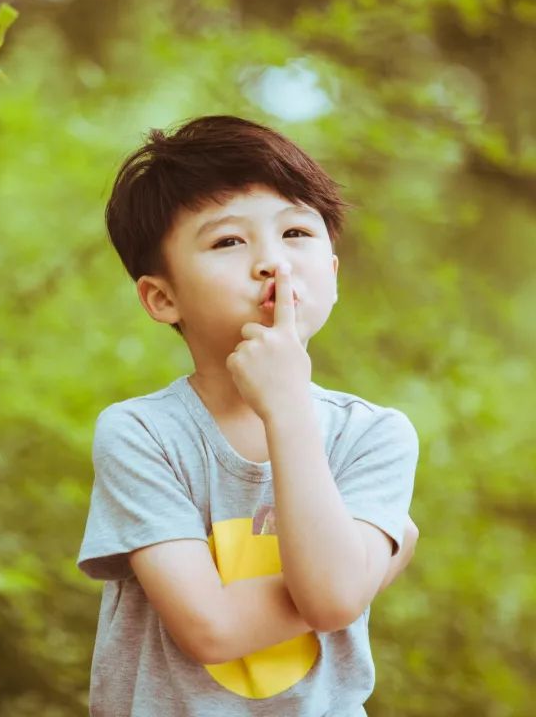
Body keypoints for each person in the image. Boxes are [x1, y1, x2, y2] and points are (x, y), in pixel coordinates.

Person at [76, 115, 421, 716]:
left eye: (296, 233)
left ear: (333, 276)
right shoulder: (142, 434)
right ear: (162, 297)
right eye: (228, 242)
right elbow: (211, 630)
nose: (273, 264)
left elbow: (336, 598)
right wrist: (367, 569)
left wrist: (286, 409)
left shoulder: (373, 434)